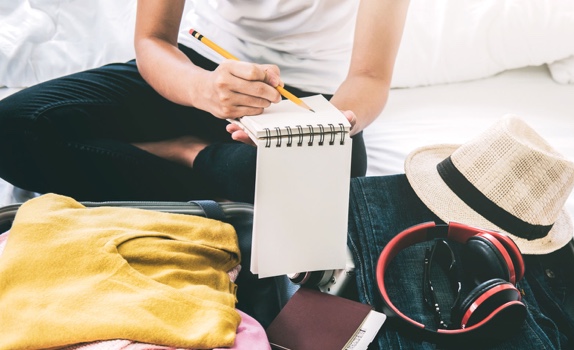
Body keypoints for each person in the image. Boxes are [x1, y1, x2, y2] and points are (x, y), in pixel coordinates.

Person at [0, 0, 410, 203]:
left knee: (337, 173)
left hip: (302, 100)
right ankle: (219, 177)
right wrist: (204, 90)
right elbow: (152, 40)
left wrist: (325, 123)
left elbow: (369, 77)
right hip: (195, 73)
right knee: (12, 129)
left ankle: (185, 152)